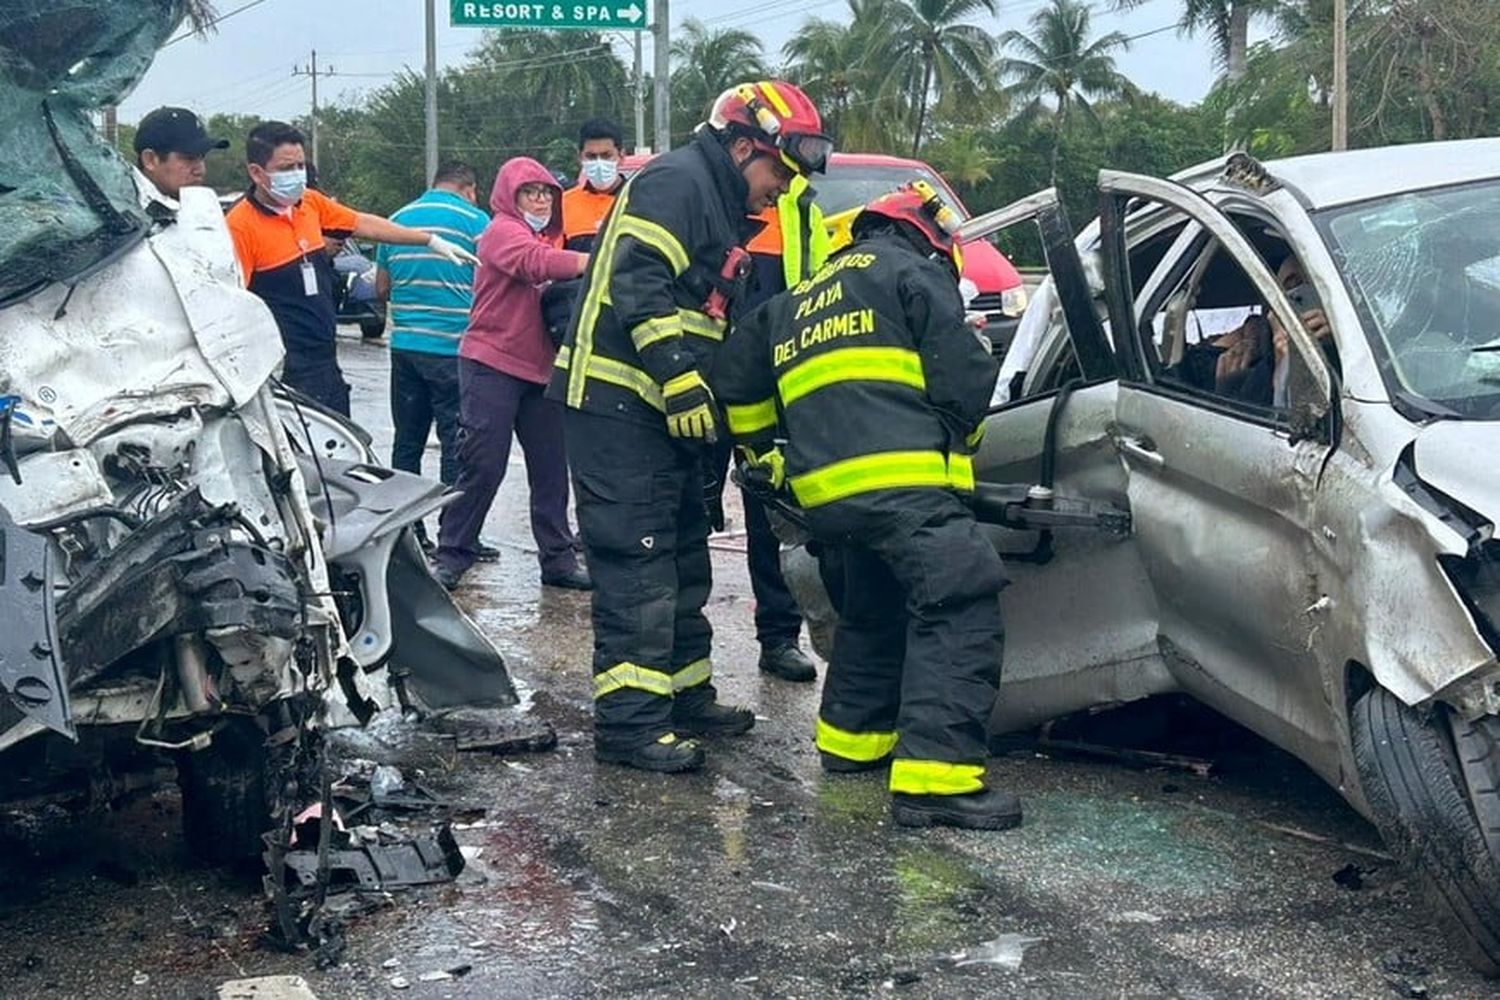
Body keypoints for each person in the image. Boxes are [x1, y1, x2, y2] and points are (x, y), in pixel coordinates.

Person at [713, 181, 1022, 831]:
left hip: (824, 499)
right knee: (959, 602)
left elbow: (736, 372)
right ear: (929, 237)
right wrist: (963, 442)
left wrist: (766, 458)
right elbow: (964, 377)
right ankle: (937, 783)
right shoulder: (911, 273)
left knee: (872, 607)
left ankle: (852, 745)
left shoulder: (801, 294)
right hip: (903, 485)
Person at [549, 81, 832, 773]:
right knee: (639, 564)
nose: (780, 191)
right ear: (743, 147)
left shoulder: (719, 199)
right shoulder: (678, 182)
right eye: (777, 172)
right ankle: (630, 726)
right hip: (618, 405)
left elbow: (708, 320)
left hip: (658, 414)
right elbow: (637, 282)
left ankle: (683, 696)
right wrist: (677, 377)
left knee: (680, 556)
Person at [225, 121, 479, 416]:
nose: (296, 176)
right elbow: (234, 307)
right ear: (257, 172)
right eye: (285, 169)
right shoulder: (240, 226)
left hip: (324, 358)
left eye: (300, 166)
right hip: (282, 367)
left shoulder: (309, 203)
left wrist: (428, 240)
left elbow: (362, 223)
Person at [433, 157, 592, 592]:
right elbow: (534, 263)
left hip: (541, 370)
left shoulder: (544, 235)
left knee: (551, 470)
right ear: (509, 195)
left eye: (546, 193)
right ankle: (452, 554)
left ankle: (558, 561)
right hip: (492, 363)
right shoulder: (502, 231)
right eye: (530, 192)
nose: (540, 199)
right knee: (483, 464)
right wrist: (593, 262)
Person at [704, 172, 830, 683]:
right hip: (704, 377)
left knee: (772, 513)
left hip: (772, 386)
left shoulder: (805, 213)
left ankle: (779, 638)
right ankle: (677, 647)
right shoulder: (710, 201)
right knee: (690, 509)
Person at [374, 161, 488, 525]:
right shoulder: (476, 222)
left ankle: (405, 530)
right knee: (456, 444)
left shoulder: (396, 219)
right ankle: (453, 531)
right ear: (469, 189)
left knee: (407, 442)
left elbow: (381, 288)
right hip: (452, 350)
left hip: (405, 347)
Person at [132, 106, 228, 206]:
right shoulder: (121, 211)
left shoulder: (200, 208)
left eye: (202, 157)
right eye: (189, 158)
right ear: (150, 160)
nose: (200, 171)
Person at [560, 118, 628, 253]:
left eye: (606, 156)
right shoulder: (563, 203)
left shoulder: (639, 200)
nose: (599, 163)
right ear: (580, 158)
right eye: (591, 156)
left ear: (621, 156)